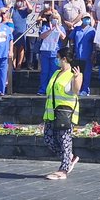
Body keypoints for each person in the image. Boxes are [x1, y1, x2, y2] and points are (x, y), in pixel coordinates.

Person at [41, 46, 82, 180]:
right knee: (48, 139)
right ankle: (70, 157)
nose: (57, 60)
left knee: (65, 141)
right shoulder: (56, 73)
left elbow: (76, 91)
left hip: (65, 114)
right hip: (51, 113)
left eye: (58, 58)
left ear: (64, 59)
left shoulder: (74, 74)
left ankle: (64, 169)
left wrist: (76, 78)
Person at [36, 13, 65, 94]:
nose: (55, 20)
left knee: (54, 71)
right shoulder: (46, 27)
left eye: (56, 18)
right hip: (45, 53)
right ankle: (43, 89)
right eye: (53, 18)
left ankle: (52, 89)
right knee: (44, 72)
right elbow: (41, 36)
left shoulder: (61, 28)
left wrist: (57, 28)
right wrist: (50, 30)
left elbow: (63, 37)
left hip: (55, 54)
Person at [70, 15, 95, 95]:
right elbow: (71, 39)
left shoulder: (92, 30)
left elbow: (95, 43)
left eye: (88, 18)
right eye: (85, 18)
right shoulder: (77, 29)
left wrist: (93, 53)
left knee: (87, 73)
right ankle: (77, 88)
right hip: (77, 54)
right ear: (82, 19)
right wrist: (71, 49)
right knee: (77, 72)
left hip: (87, 54)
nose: (87, 20)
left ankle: (85, 89)